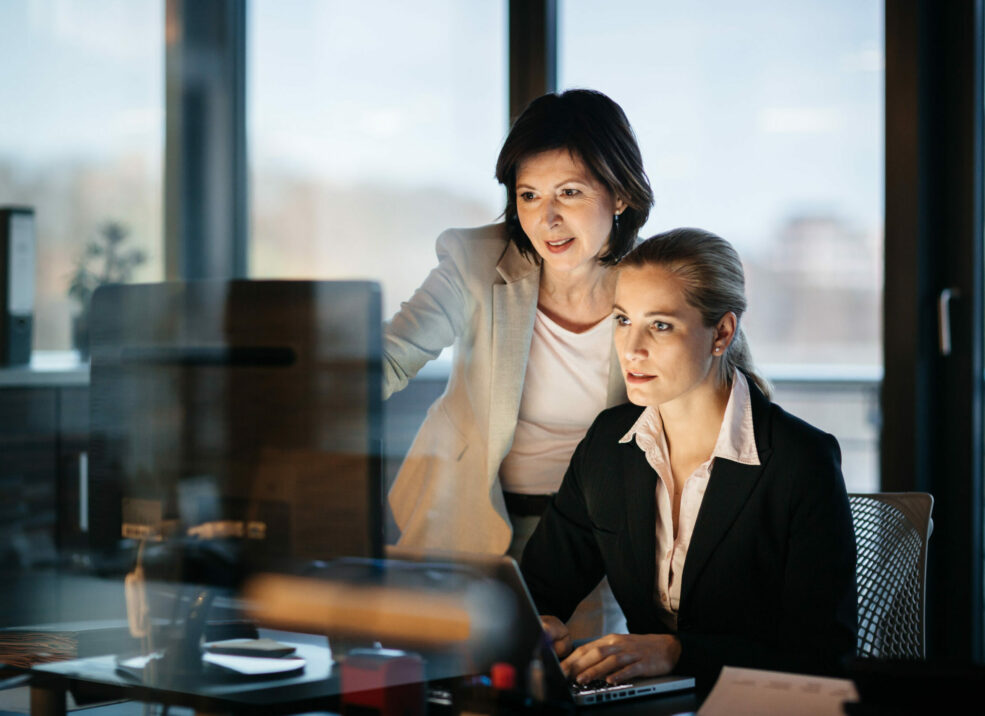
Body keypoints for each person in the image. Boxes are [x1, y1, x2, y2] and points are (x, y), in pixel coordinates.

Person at [520, 228, 857, 688]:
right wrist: (537, 623)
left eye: (660, 325)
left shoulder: (800, 461)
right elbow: (538, 588)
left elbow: (823, 655)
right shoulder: (608, 445)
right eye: (622, 320)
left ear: (721, 333)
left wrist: (680, 652)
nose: (631, 348)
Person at [383, 89, 654, 564]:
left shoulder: (659, 284)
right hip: (462, 514)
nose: (546, 219)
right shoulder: (476, 262)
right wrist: (309, 406)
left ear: (622, 194)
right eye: (529, 195)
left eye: (570, 192)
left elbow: (731, 393)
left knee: (583, 642)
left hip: (600, 534)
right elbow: (391, 355)